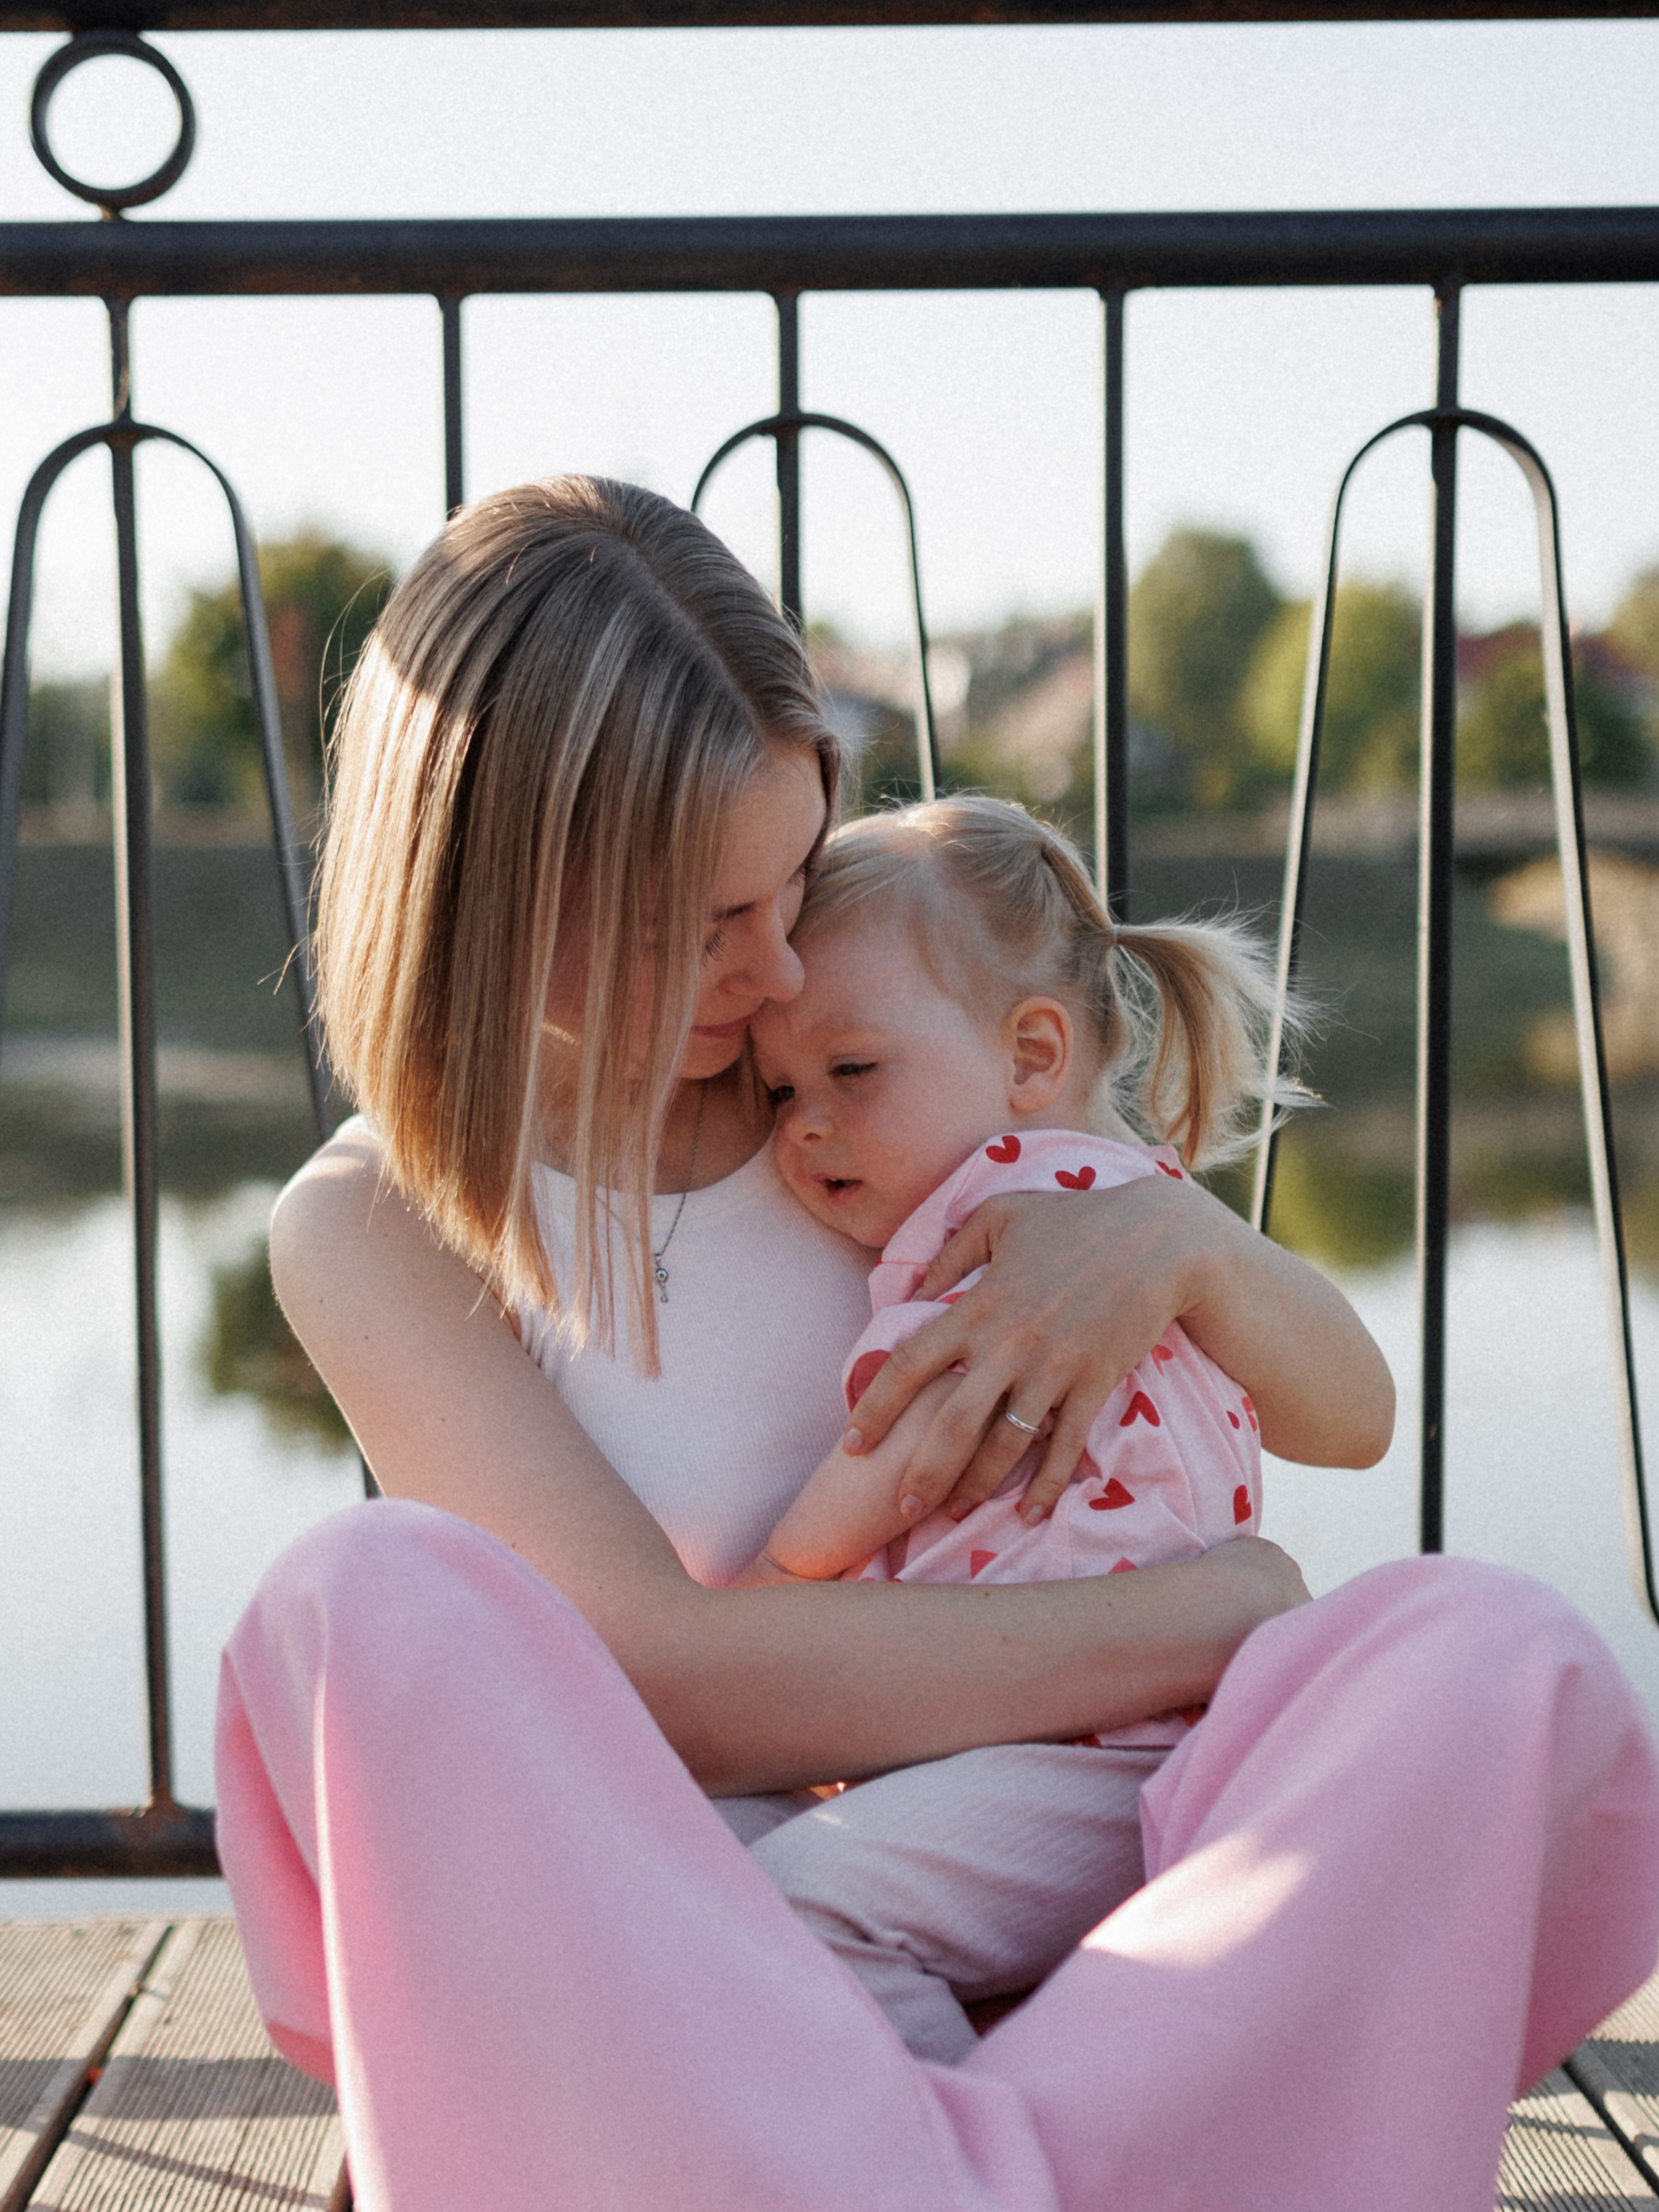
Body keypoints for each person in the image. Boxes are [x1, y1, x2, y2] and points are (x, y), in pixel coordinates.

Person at [217, 475, 1659, 2212]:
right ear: (501, 887)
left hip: (1065, 1912)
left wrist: (1180, 1234)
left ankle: (961, 2154)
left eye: (794, 880)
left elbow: (1344, 1411)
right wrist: (1189, 1616)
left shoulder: (870, 1089)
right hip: (690, 1964)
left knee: (1483, 1647)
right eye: (705, 925)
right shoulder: (380, 1218)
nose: (777, 969)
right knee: (356, 1598)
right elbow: (672, 1684)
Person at [736, 793, 1308, 2060]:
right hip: (1146, 1731)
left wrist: (773, 1585)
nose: (806, 1123)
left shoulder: (1001, 1227)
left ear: (1032, 1057)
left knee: (799, 1910)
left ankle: (969, 2164)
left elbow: (900, 1429)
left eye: (851, 1070)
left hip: (1081, 1750)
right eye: (779, 1090)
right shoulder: (1148, 1217)